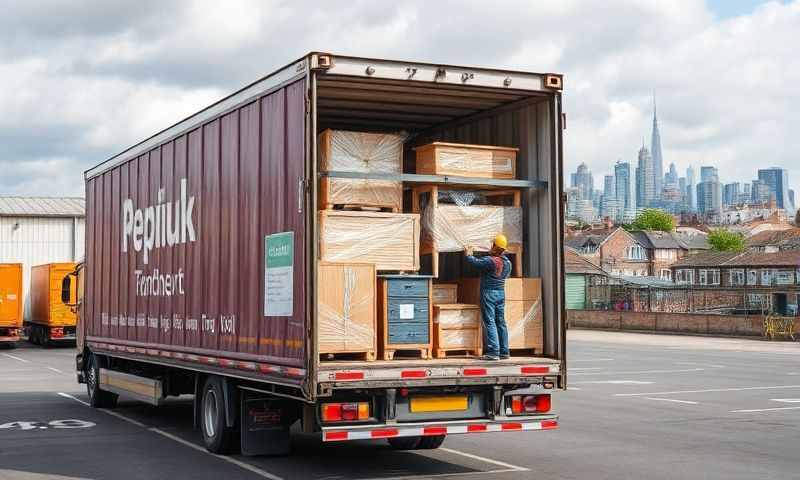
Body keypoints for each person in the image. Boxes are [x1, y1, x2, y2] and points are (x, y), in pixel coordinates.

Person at [465, 234, 512, 361]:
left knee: (490, 322)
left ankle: (494, 352)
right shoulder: (508, 263)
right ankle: (504, 351)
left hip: (489, 293)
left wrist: (468, 254)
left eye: (492, 245)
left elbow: (475, 263)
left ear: (495, 246)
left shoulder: (491, 261)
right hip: (501, 293)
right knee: (501, 322)